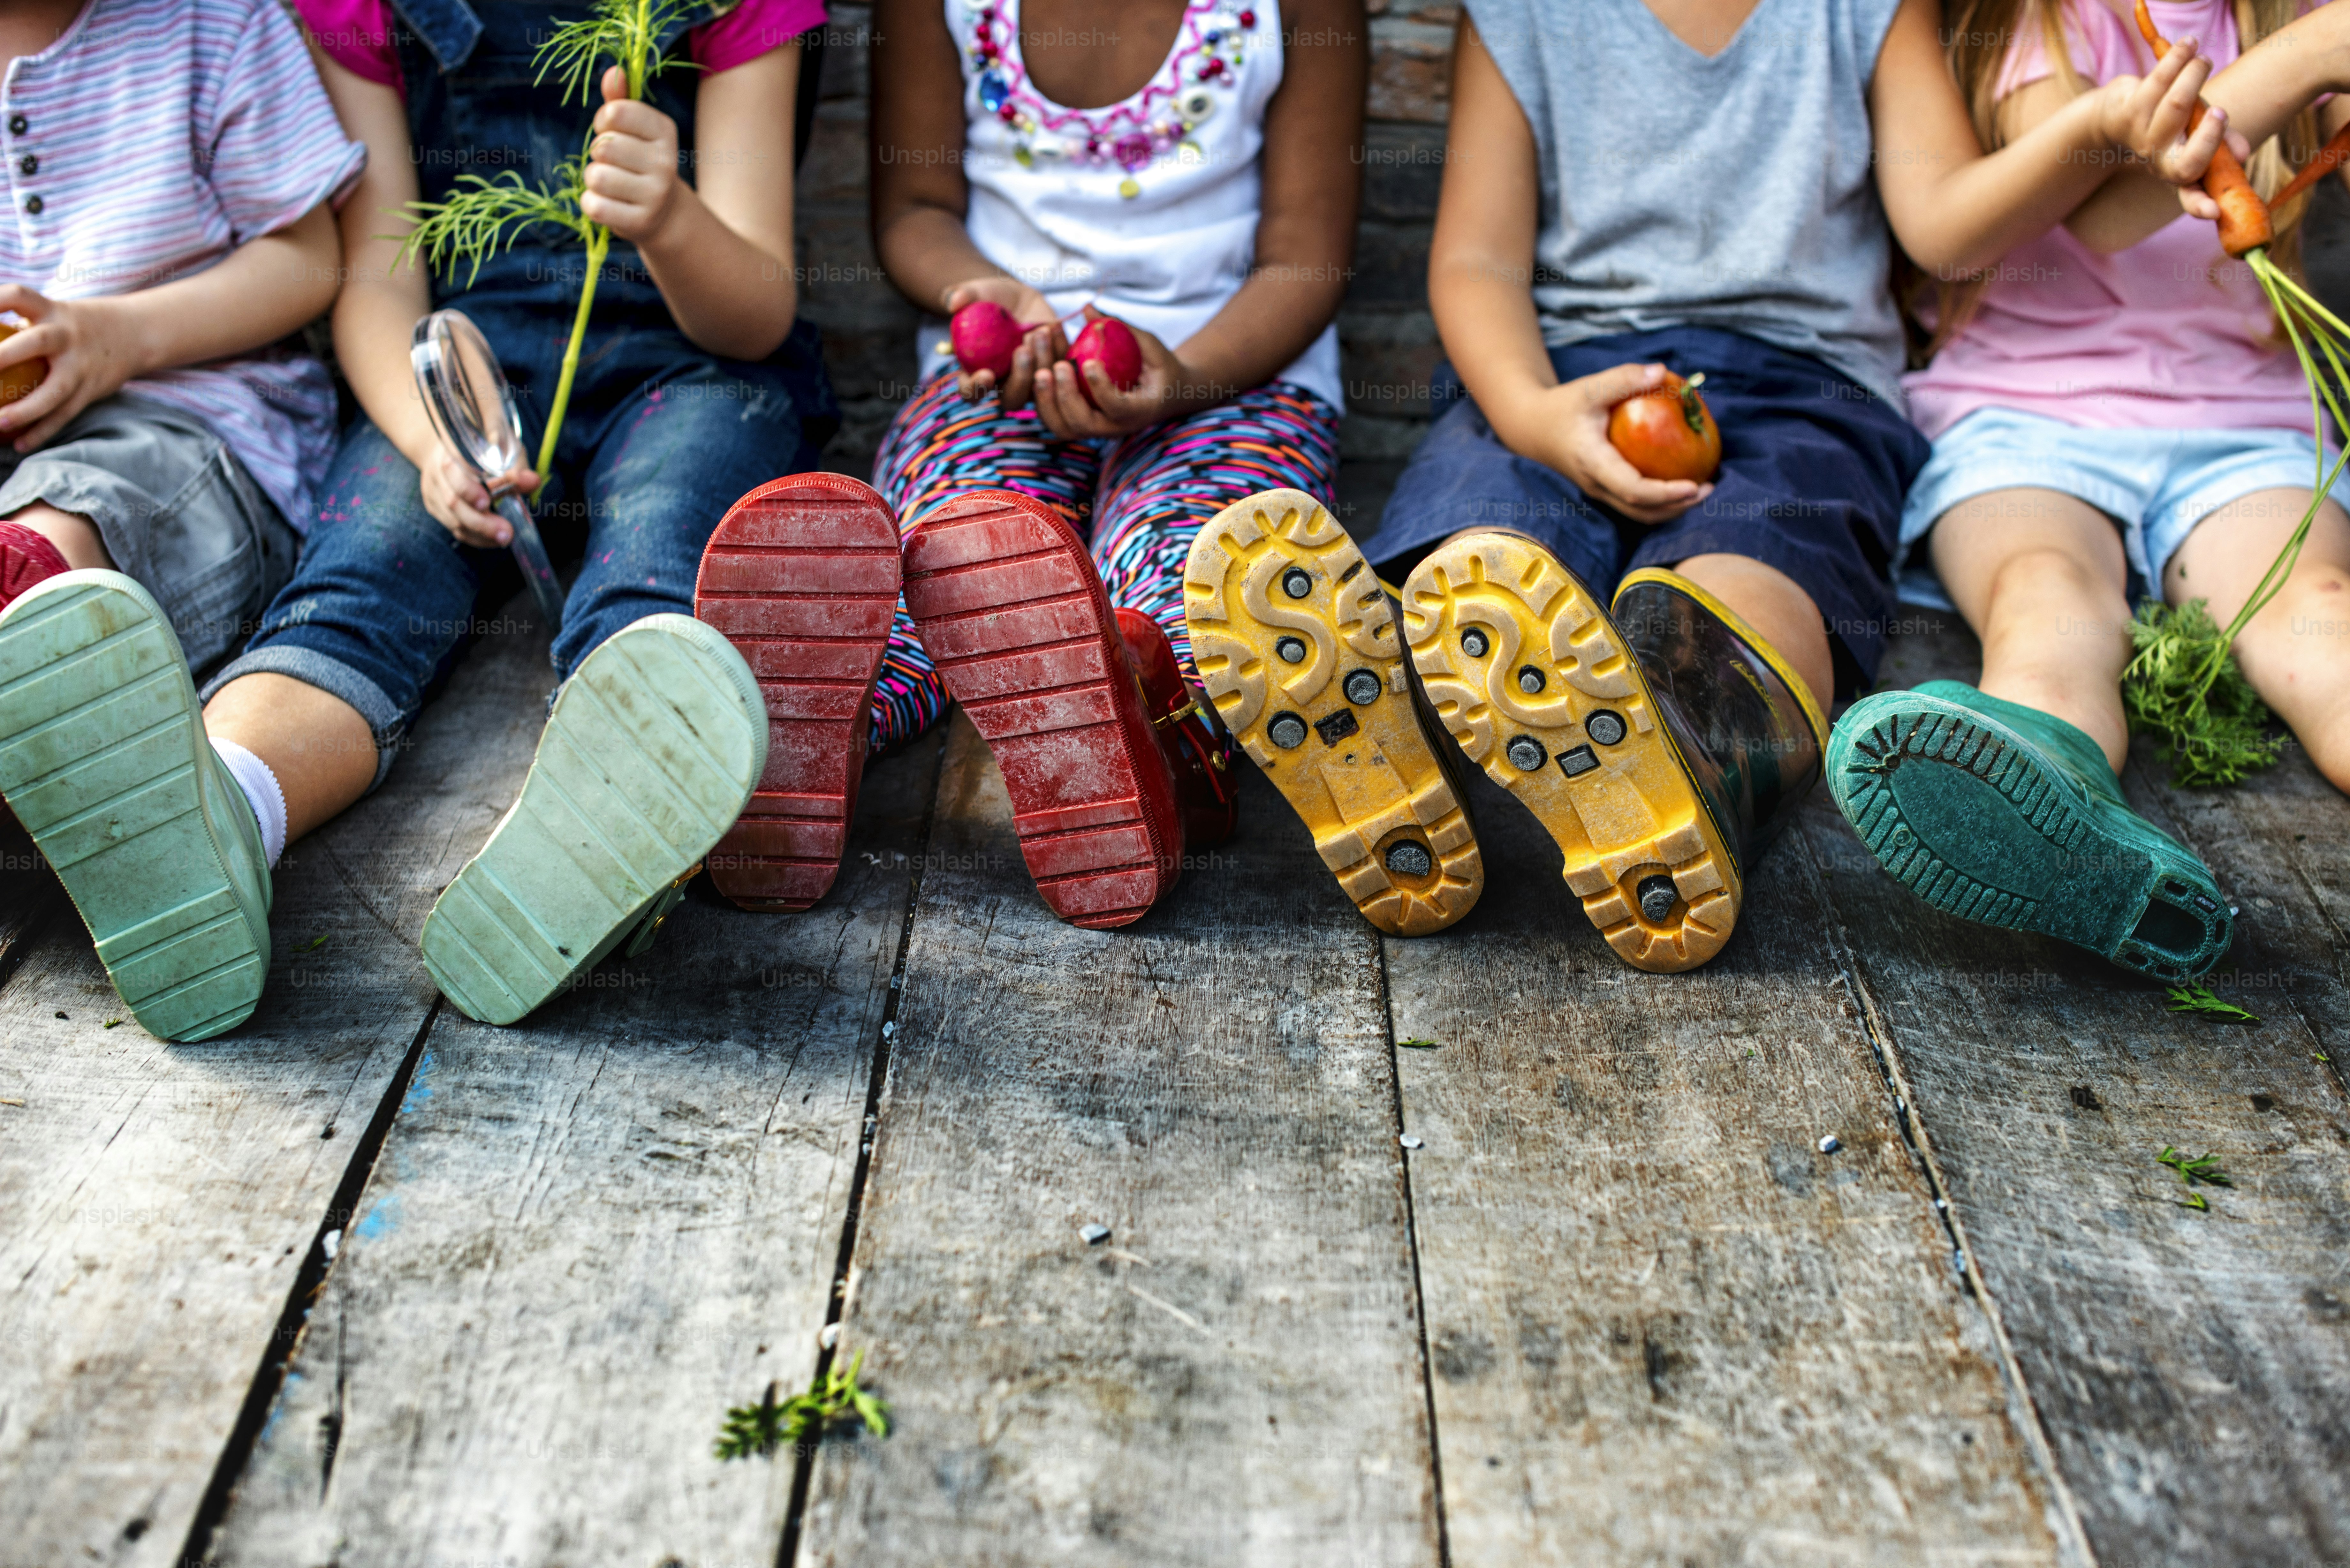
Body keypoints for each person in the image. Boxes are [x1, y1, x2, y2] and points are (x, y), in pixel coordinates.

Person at [1334, 0, 2244, 972]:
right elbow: (1477, 264)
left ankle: (1684, 745)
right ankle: (1389, 731)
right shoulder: (1522, 15)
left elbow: (1944, 227)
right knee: (1484, 535)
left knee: (1759, 563)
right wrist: (1530, 414)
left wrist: (2099, 125)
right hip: (1561, 373)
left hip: (1807, 386)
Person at [0, 0, 840, 1039]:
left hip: (694, 371)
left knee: (661, 556)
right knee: (360, 582)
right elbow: (375, 281)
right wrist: (427, 436)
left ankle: (606, 826)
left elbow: (756, 312)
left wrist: (669, 217)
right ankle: (221, 818)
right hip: (456, 377)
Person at [766, 0, 1477, 934]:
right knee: (956, 558)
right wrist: (986, 296)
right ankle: (811, 737)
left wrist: (1185, 379)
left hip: (1231, 377)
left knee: (1199, 569)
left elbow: (1304, 262)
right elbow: (914, 210)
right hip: (1000, 379)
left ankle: (1157, 733)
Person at [1830, 0, 2350, 982]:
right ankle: (2048, 824)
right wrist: (2314, 57)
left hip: (2240, 418)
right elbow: (2109, 214)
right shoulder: (2039, 23)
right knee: (2044, 598)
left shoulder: (2288, 11)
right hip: (2026, 417)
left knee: (2316, 610)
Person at [0, 0, 360, 1039]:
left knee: (81, 517)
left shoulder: (212, 26)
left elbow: (309, 258)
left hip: (195, 424)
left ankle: (32, 615)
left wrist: (118, 338)